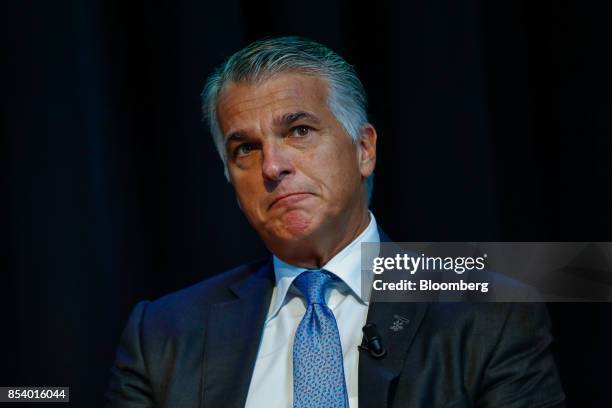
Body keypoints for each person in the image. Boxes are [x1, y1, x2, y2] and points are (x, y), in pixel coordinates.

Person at [105, 37, 565, 408]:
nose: (272, 166)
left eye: (298, 131)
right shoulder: (163, 335)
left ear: (364, 150)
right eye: (245, 148)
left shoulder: (487, 313)